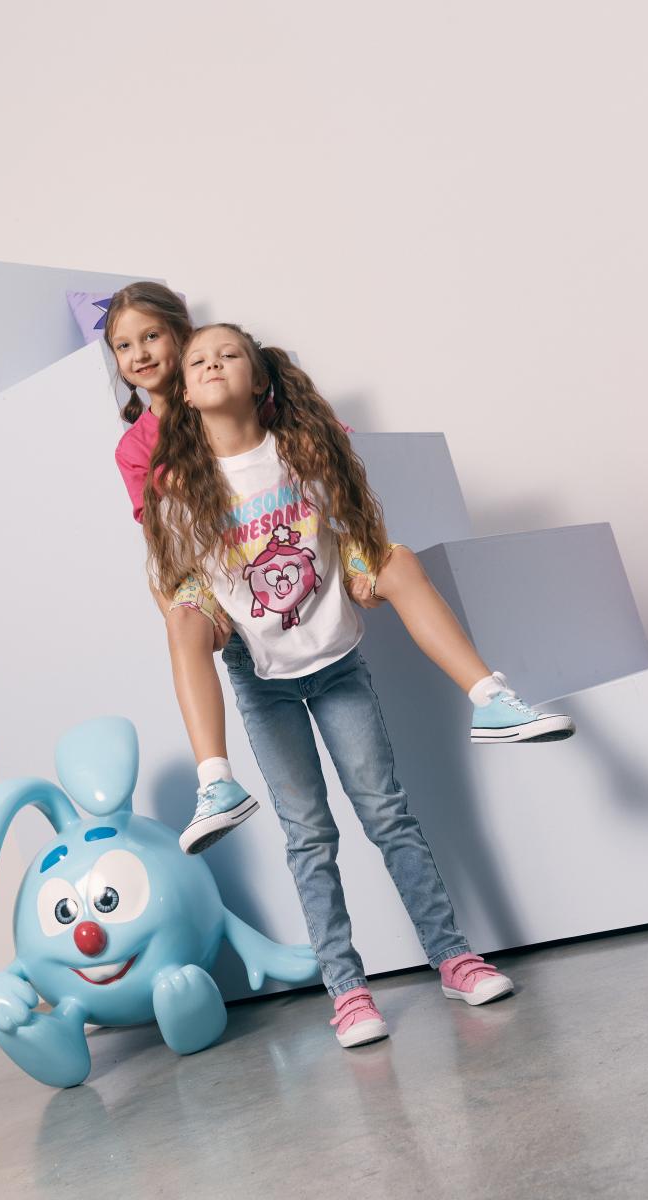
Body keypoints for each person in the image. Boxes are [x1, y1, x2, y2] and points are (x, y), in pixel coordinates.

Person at [139, 321, 527, 1046]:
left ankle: (453, 956)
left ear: (260, 377)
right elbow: (175, 579)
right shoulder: (180, 489)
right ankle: (346, 990)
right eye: (198, 361)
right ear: (184, 393)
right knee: (309, 838)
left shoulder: (302, 453)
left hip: (337, 667)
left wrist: (362, 575)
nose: (213, 364)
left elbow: (351, 538)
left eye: (229, 354)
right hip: (262, 681)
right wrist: (205, 620)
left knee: (388, 816)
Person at [111, 287, 574, 857]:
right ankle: (215, 783)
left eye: (151, 336)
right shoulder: (144, 449)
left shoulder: (245, 399)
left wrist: (350, 554)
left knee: (396, 560)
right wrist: (188, 615)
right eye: (124, 346)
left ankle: (492, 699)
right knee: (181, 616)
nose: (140, 353)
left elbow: (330, 477)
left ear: (182, 338)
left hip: (302, 543)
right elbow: (162, 545)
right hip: (222, 574)